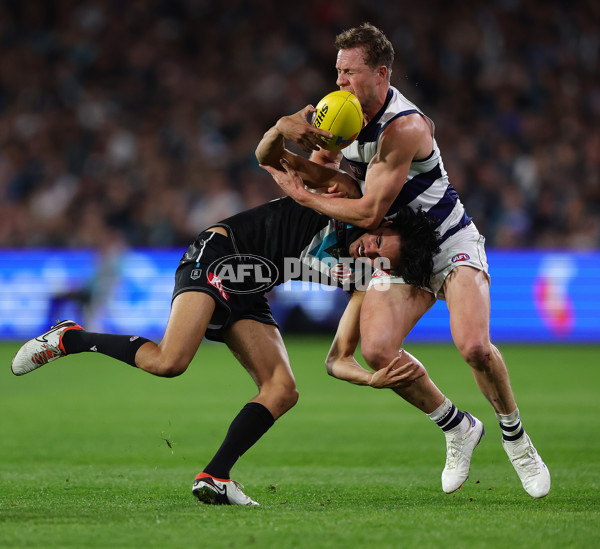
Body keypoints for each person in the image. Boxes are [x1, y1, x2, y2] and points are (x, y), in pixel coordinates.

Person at [13, 192, 471, 506]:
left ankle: (216, 475)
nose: (370, 254)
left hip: (250, 286)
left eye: (379, 262)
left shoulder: (360, 276)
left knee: (282, 389)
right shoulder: (350, 207)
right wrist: (284, 137)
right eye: (379, 246)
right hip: (217, 254)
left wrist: (371, 378)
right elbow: (290, 159)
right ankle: (70, 338)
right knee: (169, 362)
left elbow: (336, 360)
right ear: (385, 223)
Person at [255, 22, 550, 498]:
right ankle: (455, 425)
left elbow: (368, 208)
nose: (340, 82)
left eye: (350, 72)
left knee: (474, 347)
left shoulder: (405, 127)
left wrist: (308, 200)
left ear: (381, 73)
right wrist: (280, 131)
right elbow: (285, 165)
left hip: (447, 241)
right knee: (377, 351)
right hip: (397, 249)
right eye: (338, 71)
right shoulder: (338, 121)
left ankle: (515, 436)